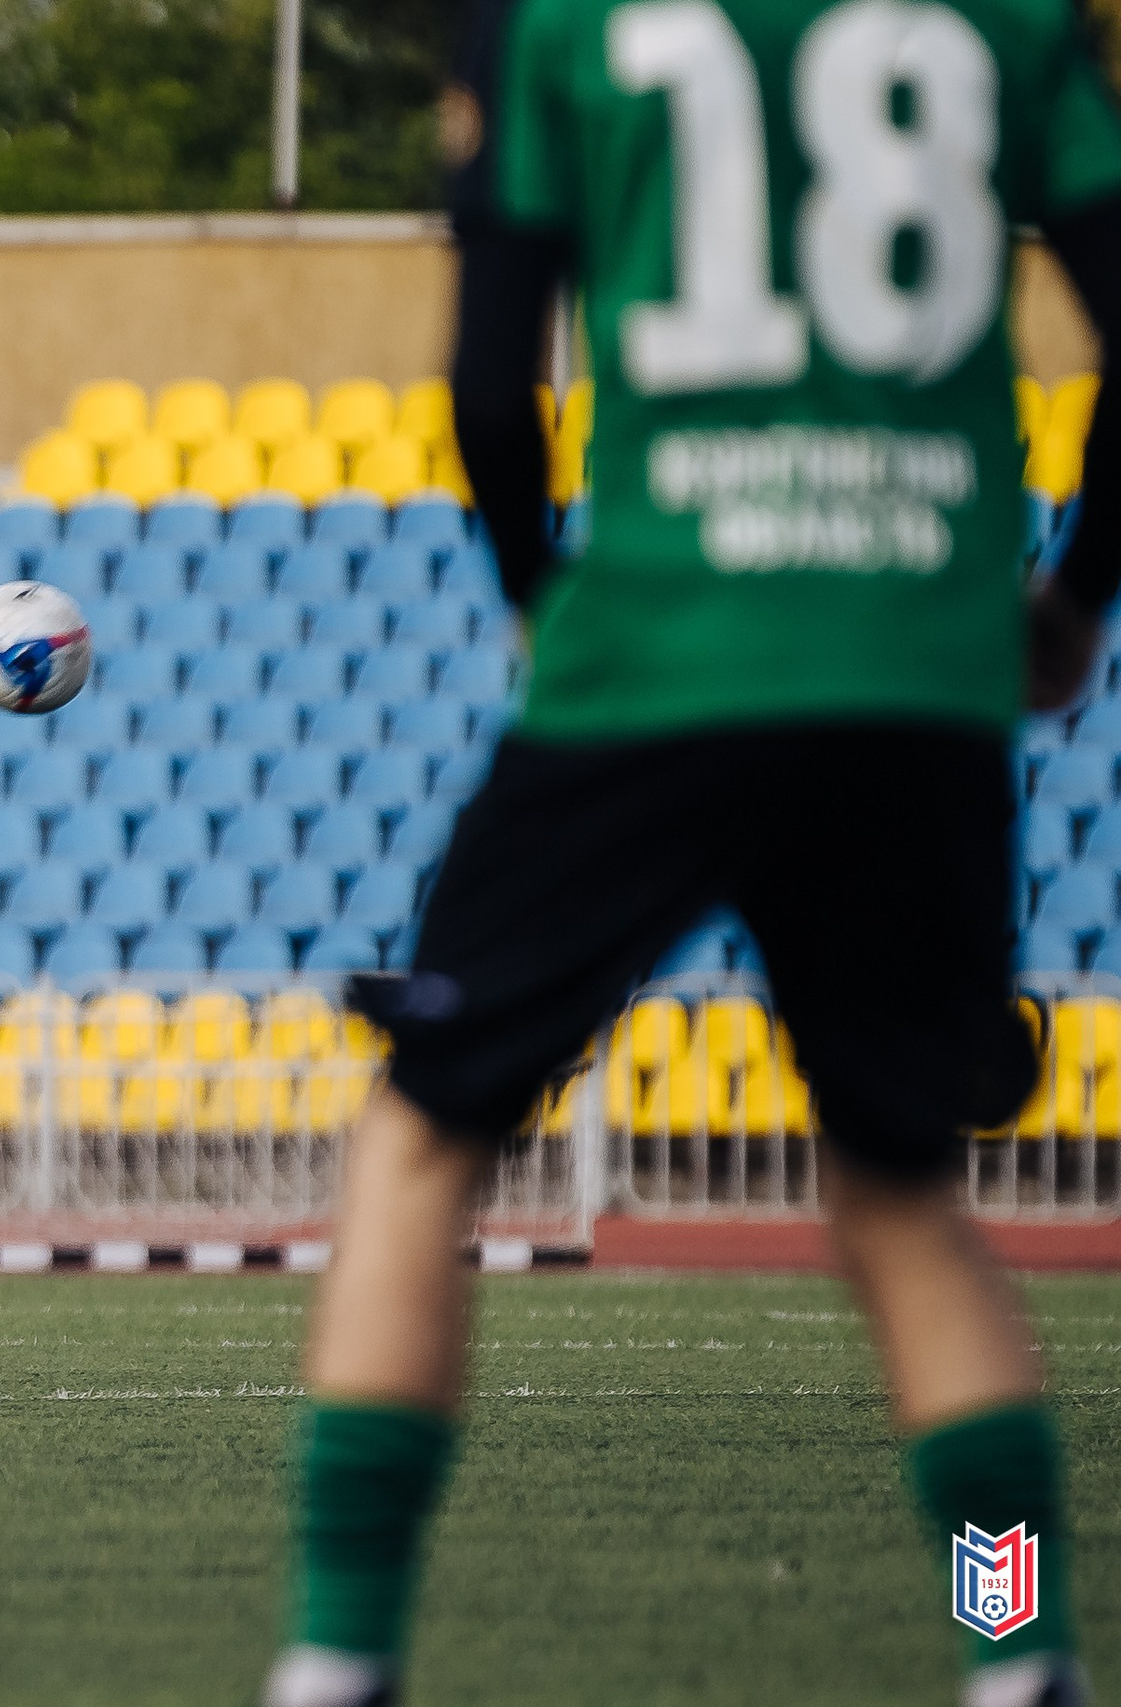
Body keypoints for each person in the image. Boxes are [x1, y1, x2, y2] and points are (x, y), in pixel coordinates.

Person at [262, 0, 1121, 1702]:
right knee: (903, 1206)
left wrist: (544, 601)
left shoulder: (553, 16)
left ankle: (339, 1657)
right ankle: (1016, 1656)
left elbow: (491, 394)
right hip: (911, 671)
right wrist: (1074, 596)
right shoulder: (1010, 13)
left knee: (425, 1147)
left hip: (651, 656)